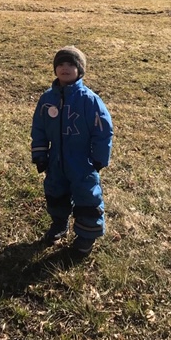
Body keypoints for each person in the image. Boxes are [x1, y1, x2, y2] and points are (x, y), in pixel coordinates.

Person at [31, 46, 113, 254]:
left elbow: (103, 131)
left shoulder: (89, 100)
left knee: (87, 197)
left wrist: (99, 159)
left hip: (82, 161)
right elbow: (39, 128)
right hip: (55, 160)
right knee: (55, 193)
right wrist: (40, 154)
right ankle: (59, 223)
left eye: (70, 64)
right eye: (60, 64)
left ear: (80, 70)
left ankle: (86, 236)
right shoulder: (47, 100)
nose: (65, 68)